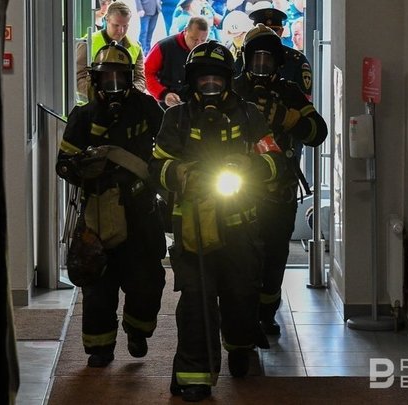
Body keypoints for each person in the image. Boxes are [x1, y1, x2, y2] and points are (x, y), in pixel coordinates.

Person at [149, 41, 285, 402]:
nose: (210, 87)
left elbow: (276, 162)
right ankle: (195, 375)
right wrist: (179, 174)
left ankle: (240, 346)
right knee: (196, 300)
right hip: (191, 225)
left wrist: (251, 166)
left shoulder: (249, 115)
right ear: (192, 82)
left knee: (241, 295)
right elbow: (156, 166)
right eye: (203, 81)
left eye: (216, 81)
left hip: (241, 226)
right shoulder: (176, 118)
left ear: (227, 81)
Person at [57, 41, 167, 368]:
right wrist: (83, 169)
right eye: (108, 79)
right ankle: (99, 348)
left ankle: (137, 330)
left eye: (120, 77)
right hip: (98, 213)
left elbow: (166, 151)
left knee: (147, 280)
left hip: (141, 211)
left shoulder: (147, 108)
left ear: (129, 77)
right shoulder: (84, 115)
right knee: (97, 286)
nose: (115, 85)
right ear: (96, 80)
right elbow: (63, 164)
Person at [233, 24, 327, 335]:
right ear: (246, 59)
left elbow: (318, 133)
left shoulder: (290, 93)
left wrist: (290, 118)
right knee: (239, 255)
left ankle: (266, 313)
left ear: (278, 63)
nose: (262, 67)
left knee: (274, 257)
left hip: (279, 192)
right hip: (235, 190)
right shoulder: (231, 91)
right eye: (256, 59)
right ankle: (239, 316)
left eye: (268, 61)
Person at [76, 1, 146, 103]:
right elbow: (78, 77)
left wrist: (129, 94)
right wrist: (97, 95)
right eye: (116, 25)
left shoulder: (135, 46)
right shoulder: (87, 43)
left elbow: (140, 78)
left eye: (125, 26)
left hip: (124, 106)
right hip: (91, 106)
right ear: (106, 20)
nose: (121, 30)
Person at [235, 7, 313, 99]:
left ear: (281, 32)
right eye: (263, 32)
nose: (268, 36)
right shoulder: (244, 57)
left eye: (274, 31)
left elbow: (303, 100)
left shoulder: (296, 60)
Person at [144, 16, 209, 109]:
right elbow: (146, 73)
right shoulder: (164, 47)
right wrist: (163, 94)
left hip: (196, 103)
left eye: (203, 40)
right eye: (194, 39)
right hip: (167, 103)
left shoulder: (208, 49)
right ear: (186, 31)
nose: (198, 44)